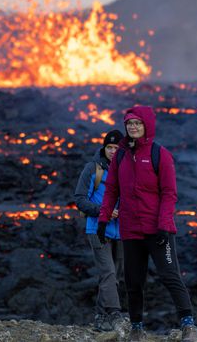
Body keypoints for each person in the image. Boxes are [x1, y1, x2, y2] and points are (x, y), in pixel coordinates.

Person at [97, 106, 197, 342]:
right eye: (129, 123)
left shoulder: (159, 154)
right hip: (130, 229)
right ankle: (137, 328)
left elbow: (169, 193)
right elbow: (111, 190)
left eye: (137, 123)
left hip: (158, 230)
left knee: (170, 275)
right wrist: (103, 220)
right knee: (133, 281)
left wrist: (164, 224)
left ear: (147, 125)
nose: (132, 127)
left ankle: (189, 326)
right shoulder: (121, 156)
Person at [74, 129, 125, 331]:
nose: (113, 151)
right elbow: (79, 199)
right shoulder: (93, 169)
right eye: (109, 147)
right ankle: (114, 315)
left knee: (114, 277)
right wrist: (104, 211)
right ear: (104, 147)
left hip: (121, 231)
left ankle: (100, 318)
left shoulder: (127, 169)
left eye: (116, 147)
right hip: (98, 228)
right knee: (109, 272)